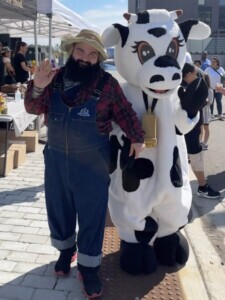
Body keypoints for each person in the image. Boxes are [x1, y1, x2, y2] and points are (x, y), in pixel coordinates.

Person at [24, 29, 145, 299]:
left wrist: (137, 138)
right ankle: (66, 251)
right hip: (56, 157)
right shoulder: (53, 80)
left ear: (98, 58)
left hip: (92, 161)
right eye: (81, 51)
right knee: (59, 207)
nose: (85, 58)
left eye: (92, 54)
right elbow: (33, 109)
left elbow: (125, 112)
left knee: (91, 214)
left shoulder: (107, 84)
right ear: (71, 51)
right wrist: (38, 86)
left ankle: (89, 268)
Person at [181, 63, 220, 199]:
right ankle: (203, 187)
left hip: (188, 129)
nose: (196, 75)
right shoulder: (185, 88)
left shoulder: (182, 87)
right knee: (196, 155)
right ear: (189, 74)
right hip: (189, 130)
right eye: (195, 73)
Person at [204, 56, 225, 120]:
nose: (212, 63)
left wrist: (222, 85)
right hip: (210, 88)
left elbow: (224, 77)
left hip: (219, 88)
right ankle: (211, 114)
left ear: (217, 63)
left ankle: (220, 114)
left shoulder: (221, 69)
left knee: (219, 101)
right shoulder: (208, 69)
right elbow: (204, 76)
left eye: (214, 62)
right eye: (212, 61)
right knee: (211, 102)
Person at [200, 74, 213, 150]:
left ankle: (205, 143)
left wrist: (203, 101)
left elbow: (210, 101)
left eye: (203, 79)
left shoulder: (210, 90)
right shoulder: (200, 88)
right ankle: (200, 142)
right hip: (200, 109)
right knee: (200, 127)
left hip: (206, 110)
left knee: (206, 127)